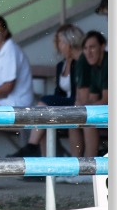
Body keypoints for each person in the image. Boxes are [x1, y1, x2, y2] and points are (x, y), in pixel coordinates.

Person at [7, 23, 85, 158]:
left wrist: (49, 103)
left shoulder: (80, 63)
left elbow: (78, 94)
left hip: (75, 104)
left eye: (61, 42)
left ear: (70, 42)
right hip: (66, 105)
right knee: (44, 116)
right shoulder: (62, 65)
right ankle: (45, 167)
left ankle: (31, 146)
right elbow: (58, 92)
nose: (58, 45)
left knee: (44, 107)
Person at [69, 30, 108, 158]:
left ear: (102, 46)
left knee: (88, 119)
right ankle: (77, 166)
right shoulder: (95, 67)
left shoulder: (109, 63)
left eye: (92, 47)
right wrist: (81, 107)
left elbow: (106, 100)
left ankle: (89, 167)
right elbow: (93, 98)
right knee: (74, 117)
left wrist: (85, 108)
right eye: (85, 48)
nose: (88, 52)